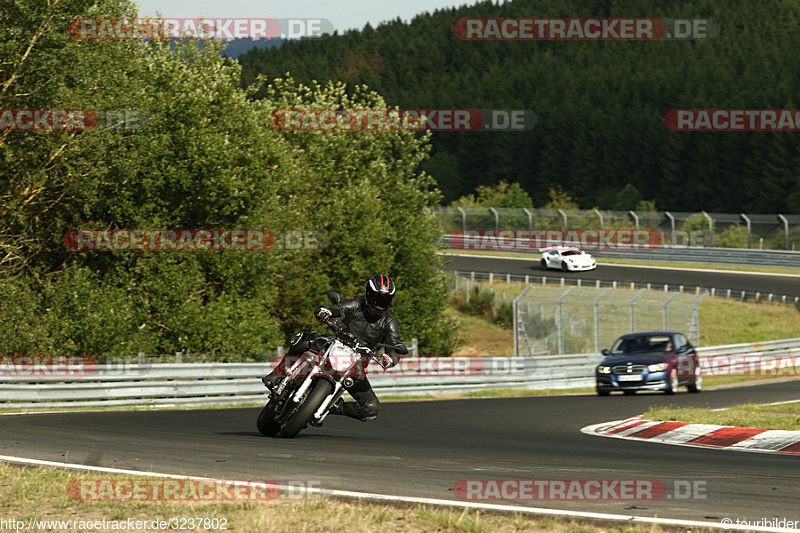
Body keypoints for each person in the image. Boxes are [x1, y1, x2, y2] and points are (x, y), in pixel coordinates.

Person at [262, 273, 404, 422]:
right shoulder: (356, 305)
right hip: (335, 345)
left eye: (386, 299)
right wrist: (326, 311)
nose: (382, 303)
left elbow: (394, 348)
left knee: (370, 408)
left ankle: (328, 405)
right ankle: (278, 374)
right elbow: (336, 308)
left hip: (356, 365)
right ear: (368, 294)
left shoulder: (390, 323)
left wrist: (390, 359)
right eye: (378, 298)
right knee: (304, 339)